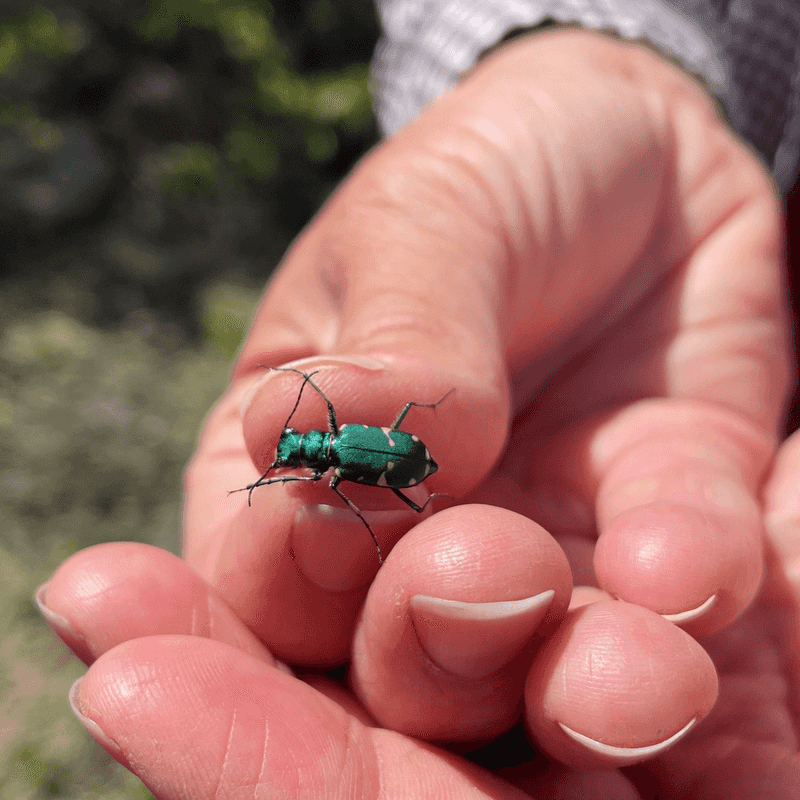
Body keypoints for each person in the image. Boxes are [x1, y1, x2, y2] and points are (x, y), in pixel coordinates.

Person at [37, 8, 800, 798]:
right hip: (429, 456)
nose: (295, 457)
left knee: (386, 512)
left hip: (426, 459)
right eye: (293, 456)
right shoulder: (327, 461)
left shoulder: (329, 461)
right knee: (382, 530)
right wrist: (607, 58)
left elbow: (357, 468)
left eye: (295, 450)